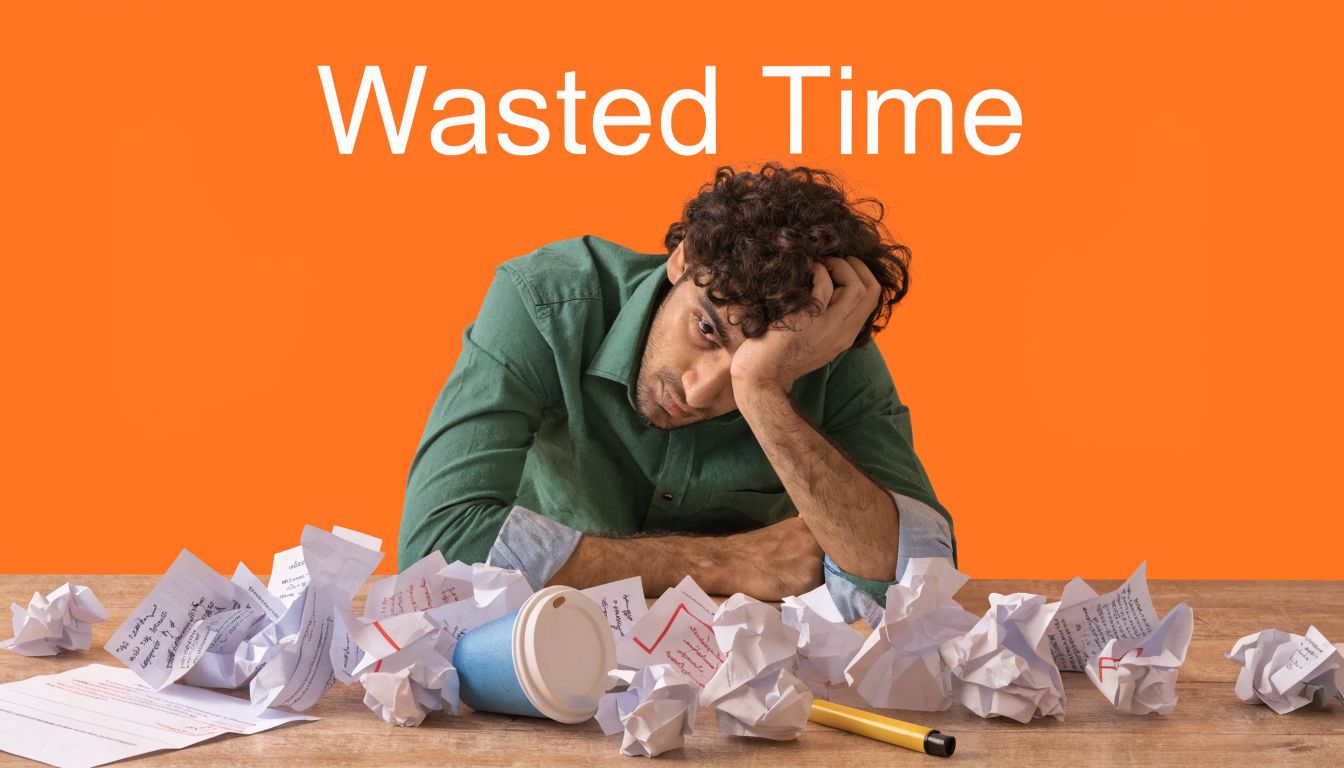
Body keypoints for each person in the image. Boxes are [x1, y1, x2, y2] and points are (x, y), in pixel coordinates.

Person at [398, 164, 955, 622]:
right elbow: (435, 552)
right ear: (683, 259)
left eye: (749, 363)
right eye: (707, 329)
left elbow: (913, 586)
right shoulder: (546, 304)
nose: (699, 389)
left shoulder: (824, 355)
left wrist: (763, 389)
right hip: (538, 650)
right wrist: (719, 561)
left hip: (740, 685)